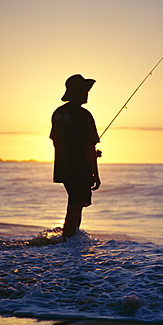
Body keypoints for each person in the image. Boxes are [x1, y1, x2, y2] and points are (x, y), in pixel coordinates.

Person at [50, 74, 101, 240]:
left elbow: (56, 141)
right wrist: (95, 173)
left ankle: (70, 240)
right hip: (80, 169)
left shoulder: (58, 113)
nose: (87, 94)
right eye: (84, 91)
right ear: (78, 93)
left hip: (63, 168)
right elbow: (88, 147)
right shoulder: (84, 115)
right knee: (76, 205)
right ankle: (68, 240)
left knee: (75, 202)